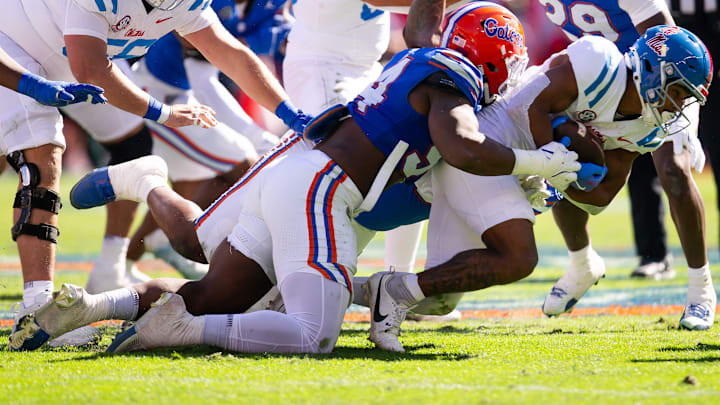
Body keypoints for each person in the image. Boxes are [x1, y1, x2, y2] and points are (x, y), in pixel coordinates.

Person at [10, 5, 583, 352]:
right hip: (321, 190)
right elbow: (461, 147)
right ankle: (180, 329)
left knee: (212, 284)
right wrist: (535, 164)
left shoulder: (418, 65)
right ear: (493, 59)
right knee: (309, 333)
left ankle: (92, 305)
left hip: (300, 172)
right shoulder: (450, 77)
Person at [356, 7, 713, 350]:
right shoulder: (599, 62)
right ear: (652, 70)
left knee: (439, 301)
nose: (679, 106)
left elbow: (603, 194)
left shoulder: (647, 128)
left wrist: (567, 179)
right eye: (678, 92)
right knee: (518, 257)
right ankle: (389, 290)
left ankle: (344, 290)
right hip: (492, 144)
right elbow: (529, 107)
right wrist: (548, 158)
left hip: (521, 171)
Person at [2, 0, 310, 351]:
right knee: (43, 153)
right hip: (15, 48)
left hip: (72, 60)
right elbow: (90, 67)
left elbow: (231, 54)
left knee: (132, 141)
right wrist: (164, 113)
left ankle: (111, 263)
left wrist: (290, 112)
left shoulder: (183, 3)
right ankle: (37, 307)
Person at [537, 0, 716, 330]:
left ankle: (701, 289)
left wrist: (684, 117)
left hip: (656, 73)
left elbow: (666, 39)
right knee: (564, 151)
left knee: (674, 171)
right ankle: (581, 262)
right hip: (598, 76)